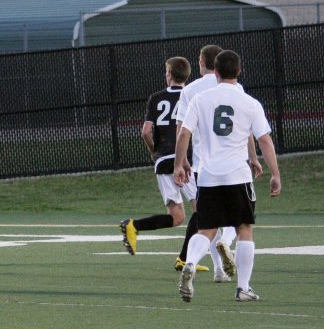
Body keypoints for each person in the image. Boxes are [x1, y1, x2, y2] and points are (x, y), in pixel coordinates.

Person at [174, 50, 281, 302]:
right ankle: (243, 287)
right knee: (244, 228)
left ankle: (190, 263)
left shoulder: (200, 98)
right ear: (239, 72)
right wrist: (275, 173)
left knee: (206, 229)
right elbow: (264, 139)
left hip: (208, 176)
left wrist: (180, 164)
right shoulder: (249, 102)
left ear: (216, 72)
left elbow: (183, 133)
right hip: (238, 176)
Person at [119, 56, 211, 268]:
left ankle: (134, 225)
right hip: (184, 160)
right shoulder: (193, 95)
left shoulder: (156, 97)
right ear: (188, 75)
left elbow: (145, 131)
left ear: (169, 74)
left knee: (177, 216)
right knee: (203, 210)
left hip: (162, 161)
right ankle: (185, 259)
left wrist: (155, 152)